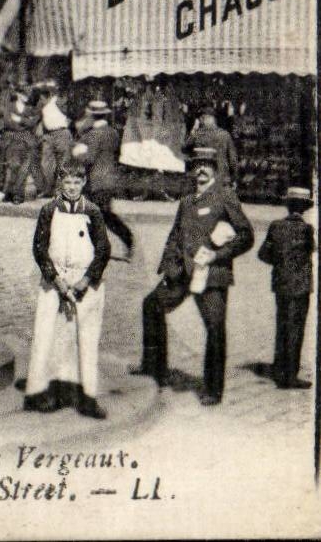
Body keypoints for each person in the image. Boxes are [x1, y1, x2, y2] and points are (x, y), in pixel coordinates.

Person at [132, 145, 253, 405]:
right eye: (196, 165)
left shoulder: (225, 197)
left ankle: (212, 389)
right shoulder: (187, 201)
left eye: (206, 165)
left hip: (211, 275)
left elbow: (246, 236)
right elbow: (175, 235)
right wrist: (167, 266)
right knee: (152, 305)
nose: (200, 170)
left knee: (215, 327)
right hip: (182, 273)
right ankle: (155, 368)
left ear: (215, 169)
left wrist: (217, 255)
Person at [24, 156, 111, 418]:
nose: (71, 187)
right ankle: (42, 391)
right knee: (48, 334)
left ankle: (88, 396)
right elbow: (39, 249)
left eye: (77, 182)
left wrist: (85, 281)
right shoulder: (49, 210)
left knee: (86, 336)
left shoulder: (92, 211)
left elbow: (104, 250)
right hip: (55, 282)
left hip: (86, 283)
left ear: (84, 183)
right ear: (60, 182)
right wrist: (57, 281)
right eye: (67, 181)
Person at [258, 184, 314, 390]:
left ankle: (279, 366)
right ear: (305, 208)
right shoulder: (307, 229)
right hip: (300, 285)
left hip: (280, 283)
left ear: (288, 205)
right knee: (296, 328)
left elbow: (263, 254)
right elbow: (311, 250)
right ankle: (290, 375)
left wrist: (280, 262)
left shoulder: (275, 226)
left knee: (282, 323)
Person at [74, 98, 134, 259]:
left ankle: (120, 241)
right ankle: (124, 240)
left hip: (96, 180)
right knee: (102, 214)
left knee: (100, 215)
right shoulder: (112, 132)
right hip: (110, 178)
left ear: (92, 116)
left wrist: (77, 153)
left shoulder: (93, 135)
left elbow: (89, 158)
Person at [182, 111, 240, 189]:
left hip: (201, 179)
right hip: (222, 179)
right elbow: (233, 159)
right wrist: (234, 179)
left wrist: (193, 130)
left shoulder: (197, 135)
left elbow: (184, 149)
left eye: (199, 119)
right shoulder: (225, 135)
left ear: (202, 119)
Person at [37, 82, 74, 196]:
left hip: (61, 133)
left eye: (42, 98)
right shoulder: (44, 105)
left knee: (63, 163)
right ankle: (47, 189)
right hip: (48, 135)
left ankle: (59, 191)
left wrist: (69, 122)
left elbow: (72, 112)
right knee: (46, 164)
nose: (40, 101)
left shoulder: (59, 101)